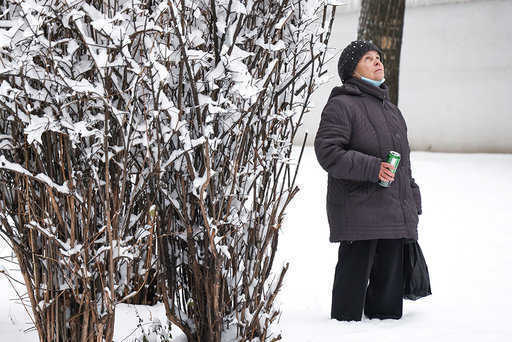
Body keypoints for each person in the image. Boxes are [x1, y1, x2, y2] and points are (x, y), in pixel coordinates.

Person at [314, 40, 423, 321]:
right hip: (358, 212)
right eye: (368, 58)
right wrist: (374, 168)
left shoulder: (392, 111)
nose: (377, 62)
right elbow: (328, 153)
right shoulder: (341, 105)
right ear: (352, 70)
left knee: (387, 312)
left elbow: (404, 163)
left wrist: (411, 198)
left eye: (378, 57)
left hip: (392, 213)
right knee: (347, 312)